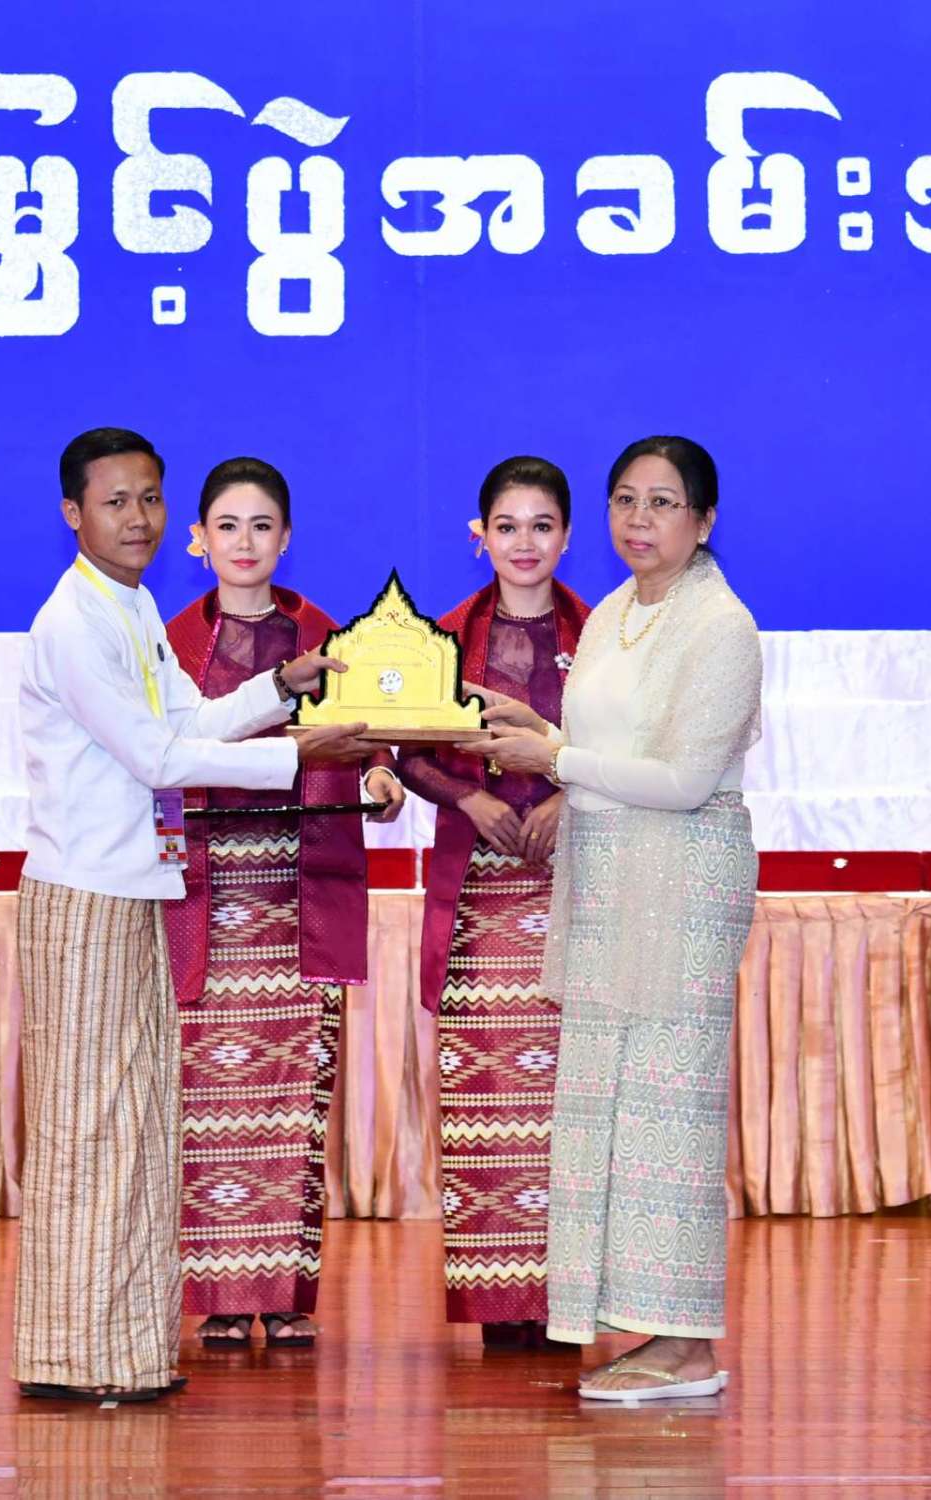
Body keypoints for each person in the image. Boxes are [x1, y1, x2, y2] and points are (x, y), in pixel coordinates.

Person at [13, 427, 371, 1402]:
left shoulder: (129, 607)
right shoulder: (73, 623)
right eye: (114, 502)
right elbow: (159, 758)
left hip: (136, 889)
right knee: (90, 1130)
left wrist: (280, 688)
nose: (136, 519)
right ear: (72, 514)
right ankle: (70, 1355)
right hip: (85, 894)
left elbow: (188, 721)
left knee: (136, 1130)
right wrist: (300, 752)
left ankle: (124, 1349)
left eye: (149, 499)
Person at [463, 435, 761, 1401]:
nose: (639, 520)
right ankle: (646, 1328)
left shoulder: (720, 626)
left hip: (681, 881)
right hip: (605, 878)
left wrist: (553, 760)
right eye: (625, 500)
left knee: (670, 1113)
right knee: (615, 1110)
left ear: (703, 521)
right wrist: (538, 731)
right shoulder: (614, 615)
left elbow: (682, 780)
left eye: (663, 503)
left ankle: (689, 1343)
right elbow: (605, 747)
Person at [163, 457, 404, 1349]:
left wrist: (380, 778)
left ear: (286, 537)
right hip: (204, 900)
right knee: (209, 1108)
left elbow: (374, 743)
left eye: (261, 525)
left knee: (295, 1100)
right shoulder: (170, 642)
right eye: (227, 526)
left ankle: (289, 1295)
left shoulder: (328, 639)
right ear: (199, 539)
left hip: (298, 897)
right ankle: (224, 1298)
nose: (245, 542)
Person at [399, 456, 589, 1347]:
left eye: (541, 525)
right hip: (477, 898)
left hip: (577, 888)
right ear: (480, 537)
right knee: (486, 1103)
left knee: (570, 1103)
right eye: (506, 526)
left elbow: (629, 748)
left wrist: (566, 795)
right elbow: (405, 749)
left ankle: (570, 1298)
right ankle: (497, 1303)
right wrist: (469, 799)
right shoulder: (442, 639)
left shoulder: (606, 635)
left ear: (567, 535)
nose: (524, 542)